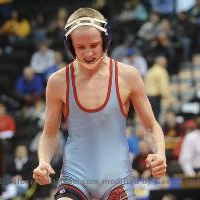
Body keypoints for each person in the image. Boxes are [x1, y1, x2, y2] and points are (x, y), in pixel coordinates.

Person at [33, 8, 166, 200]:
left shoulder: (127, 76)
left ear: (105, 40)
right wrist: (43, 161)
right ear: (70, 46)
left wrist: (160, 154)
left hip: (117, 180)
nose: (88, 53)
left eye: (94, 45)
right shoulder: (58, 81)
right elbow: (50, 133)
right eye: (80, 47)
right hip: (74, 178)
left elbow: (151, 126)